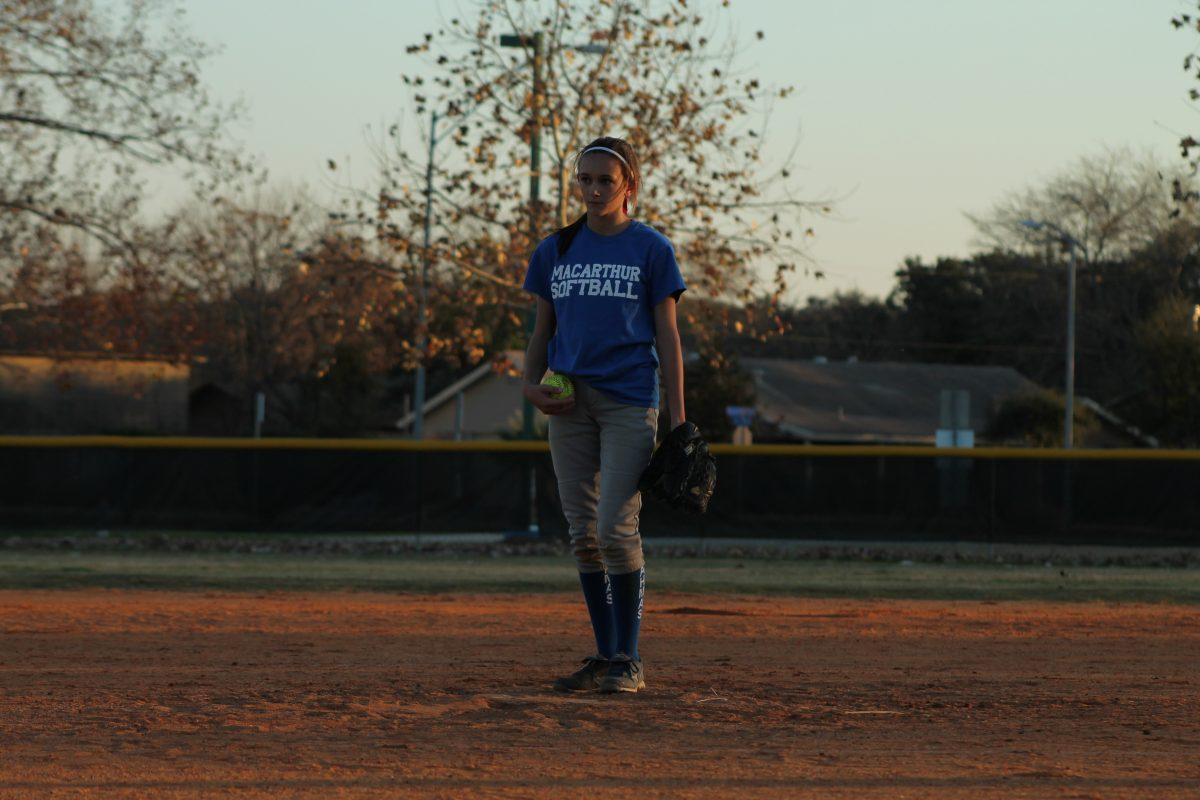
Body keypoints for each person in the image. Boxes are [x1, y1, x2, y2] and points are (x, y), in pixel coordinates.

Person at [521, 136, 687, 694]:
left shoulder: (651, 249)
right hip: (568, 401)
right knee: (582, 534)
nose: (593, 190)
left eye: (605, 181)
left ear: (629, 187)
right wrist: (529, 385)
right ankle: (606, 653)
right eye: (585, 180)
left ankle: (630, 659)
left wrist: (680, 422)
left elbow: (668, 334)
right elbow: (543, 331)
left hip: (628, 399)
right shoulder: (556, 249)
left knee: (616, 527)